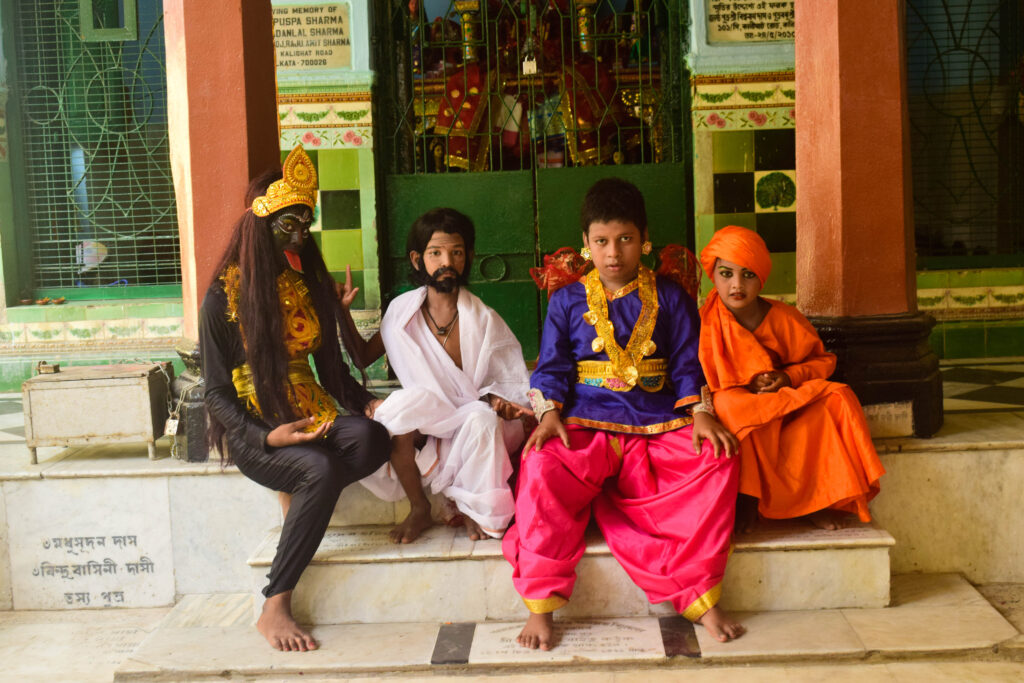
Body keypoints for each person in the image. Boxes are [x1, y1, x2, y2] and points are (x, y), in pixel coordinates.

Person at [503, 178, 745, 651]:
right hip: (586, 425)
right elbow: (551, 366)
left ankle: (700, 594)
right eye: (601, 241)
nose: (613, 253)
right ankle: (541, 606)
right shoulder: (567, 299)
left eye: (625, 239)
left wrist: (699, 410)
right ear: (585, 245)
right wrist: (549, 412)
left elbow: (686, 361)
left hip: (658, 424)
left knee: (717, 458)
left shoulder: (671, 295)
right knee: (540, 467)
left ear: (645, 239)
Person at [200, 145, 392, 652]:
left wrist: (360, 401)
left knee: (372, 439)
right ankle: (274, 604)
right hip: (255, 424)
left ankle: (308, 491)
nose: (302, 236)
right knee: (321, 470)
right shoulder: (222, 297)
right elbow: (214, 393)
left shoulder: (304, 281)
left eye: (306, 225)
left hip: (312, 410)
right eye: (291, 226)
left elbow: (331, 364)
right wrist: (266, 435)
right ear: (261, 227)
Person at [338, 208, 532, 543]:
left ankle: (473, 510)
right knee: (401, 407)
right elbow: (362, 357)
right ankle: (419, 509)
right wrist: (343, 314)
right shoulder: (401, 312)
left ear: (469, 257)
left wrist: (498, 399)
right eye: (435, 253)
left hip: (473, 418)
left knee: (482, 420)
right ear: (417, 260)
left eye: (456, 252)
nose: (447, 261)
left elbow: (510, 380)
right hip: (429, 419)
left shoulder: (483, 318)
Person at [697, 225, 885, 533]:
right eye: (727, 273)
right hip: (742, 401)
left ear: (762, 276)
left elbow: (822, 361)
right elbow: (706, 375)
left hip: (785, 399)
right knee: (731, 407)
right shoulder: (706, 319)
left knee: (836, 399)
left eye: (748, 274)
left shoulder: (784, 317)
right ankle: (748, 499)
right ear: (713, 275)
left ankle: (818, 502)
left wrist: (788, 376)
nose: (737, 285)